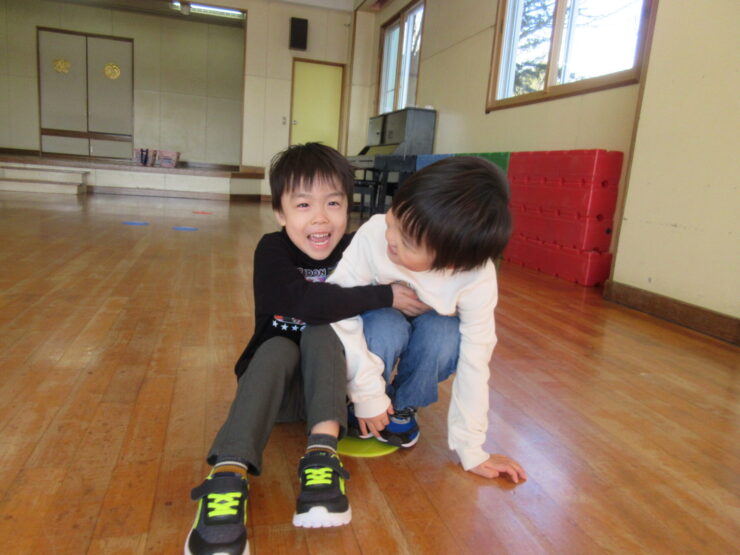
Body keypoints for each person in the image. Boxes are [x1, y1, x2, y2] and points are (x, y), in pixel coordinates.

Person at [184, 143, 424, 555]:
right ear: (279, 212)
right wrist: (383, 294)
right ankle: (226, 476)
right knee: (282, 344)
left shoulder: (357, 248)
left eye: (333, 203)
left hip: (331, 391)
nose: (320, 217)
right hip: (274, 392)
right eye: (302, 204)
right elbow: (301, 302)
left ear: (348, 206)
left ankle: (322, 459)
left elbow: (411, 259)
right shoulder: (271, 249)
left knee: (322, 333)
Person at [328, 156, 527, 482]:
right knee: (384, 325)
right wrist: (367, 393)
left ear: (449, 265)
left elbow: (475, 361)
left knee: (444, 334)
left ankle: (402, 405)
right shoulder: (374, 233)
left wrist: (472, 449)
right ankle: (360, 401)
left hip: (428, 328)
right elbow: (336, 308)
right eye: (395, 216)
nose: (390, 236)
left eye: (406, 241)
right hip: (378, 321)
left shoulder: (475, 277)